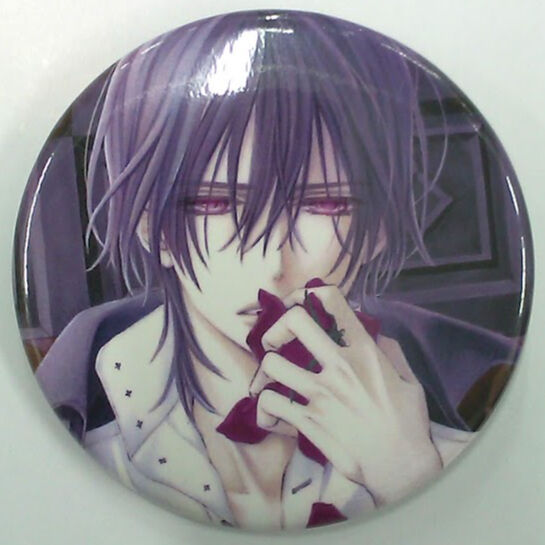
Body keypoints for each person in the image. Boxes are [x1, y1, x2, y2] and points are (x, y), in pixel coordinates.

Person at [35, 11, 516, 530]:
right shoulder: (69, 434)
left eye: (325, 204)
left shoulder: (474, 431)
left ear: (380, 227)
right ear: (154, 226)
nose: (271, 265)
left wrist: (407, 475)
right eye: (216, 204)